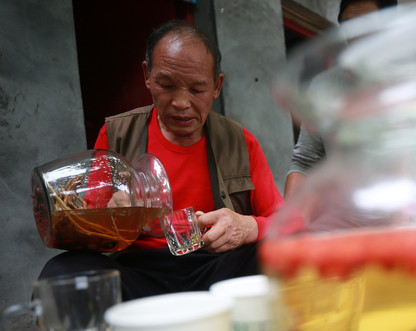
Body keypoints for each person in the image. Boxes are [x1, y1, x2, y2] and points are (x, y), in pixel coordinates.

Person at [38, 21, 284, 300]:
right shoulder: (117, 135)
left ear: (217, 86)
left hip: (217, 268)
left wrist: (246, 227)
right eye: (166, 85)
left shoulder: (240, 142)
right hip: (140, 272)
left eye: (197, 90)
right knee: (62, 274)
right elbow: (89, 228)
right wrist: (114, 218)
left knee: (280, 255)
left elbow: (285, 221)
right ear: (147, 75)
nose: (181, 102)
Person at [283, 0, 397, 199]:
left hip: (408, 217)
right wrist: (290, 221)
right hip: (343, 219)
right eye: (348, 26)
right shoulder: (323, 86)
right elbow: (304, 162)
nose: (355, 36)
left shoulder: (411, 81)